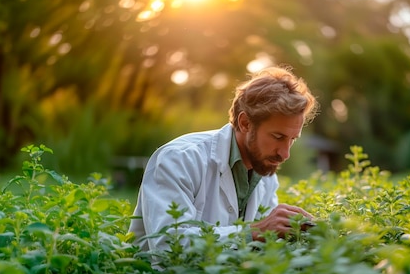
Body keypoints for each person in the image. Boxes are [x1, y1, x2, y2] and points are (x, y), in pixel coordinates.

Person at [129, 66, 319, 252]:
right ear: (245, 123)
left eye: (292, 139)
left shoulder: (265, 171)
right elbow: (169, 247)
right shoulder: (180, 159)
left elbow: (260, 250)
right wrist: (253, 233)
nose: (285, 154)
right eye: (278, 137)